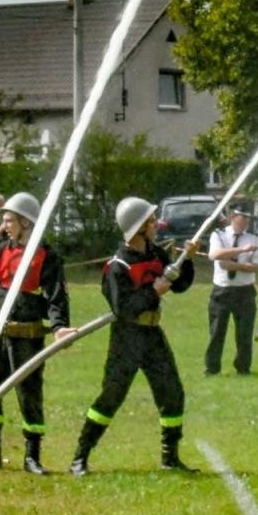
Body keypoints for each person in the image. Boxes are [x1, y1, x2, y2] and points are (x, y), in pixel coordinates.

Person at [69, 197, 200, 475]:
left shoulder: (155, 254)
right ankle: (80, 456)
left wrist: (186, 260)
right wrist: (154, 291)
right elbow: (123, 308)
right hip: (127, 338)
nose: (156, 225)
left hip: (152, 334)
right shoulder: (117, 266)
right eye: (151, 221)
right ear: (138, 228)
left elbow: (180, 285)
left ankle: (170, 457)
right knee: (111, 397)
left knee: (172, 394)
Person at [0, 191, 73, 474]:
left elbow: (57, 297)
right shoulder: (1, 251)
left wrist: (58, 328)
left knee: (28, 396)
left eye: (10, 220)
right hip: (0, 336)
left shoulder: (47, 256)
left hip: (29, 338)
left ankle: (32, 457)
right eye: (5, 220)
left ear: (26, 222)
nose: (5, 225)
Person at [204, 200, 258, 376]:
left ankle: (243, 368)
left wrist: (235, 266)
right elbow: (214, 255)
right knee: (216, 332)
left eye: (248, 218)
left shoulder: (254, 238)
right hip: (222, 290)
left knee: (244, 334)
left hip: (244, 290)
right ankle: (212, 368)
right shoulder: (219, 235)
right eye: (242, 217)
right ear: (232, 217)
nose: (245, 221)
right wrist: (241, 250)